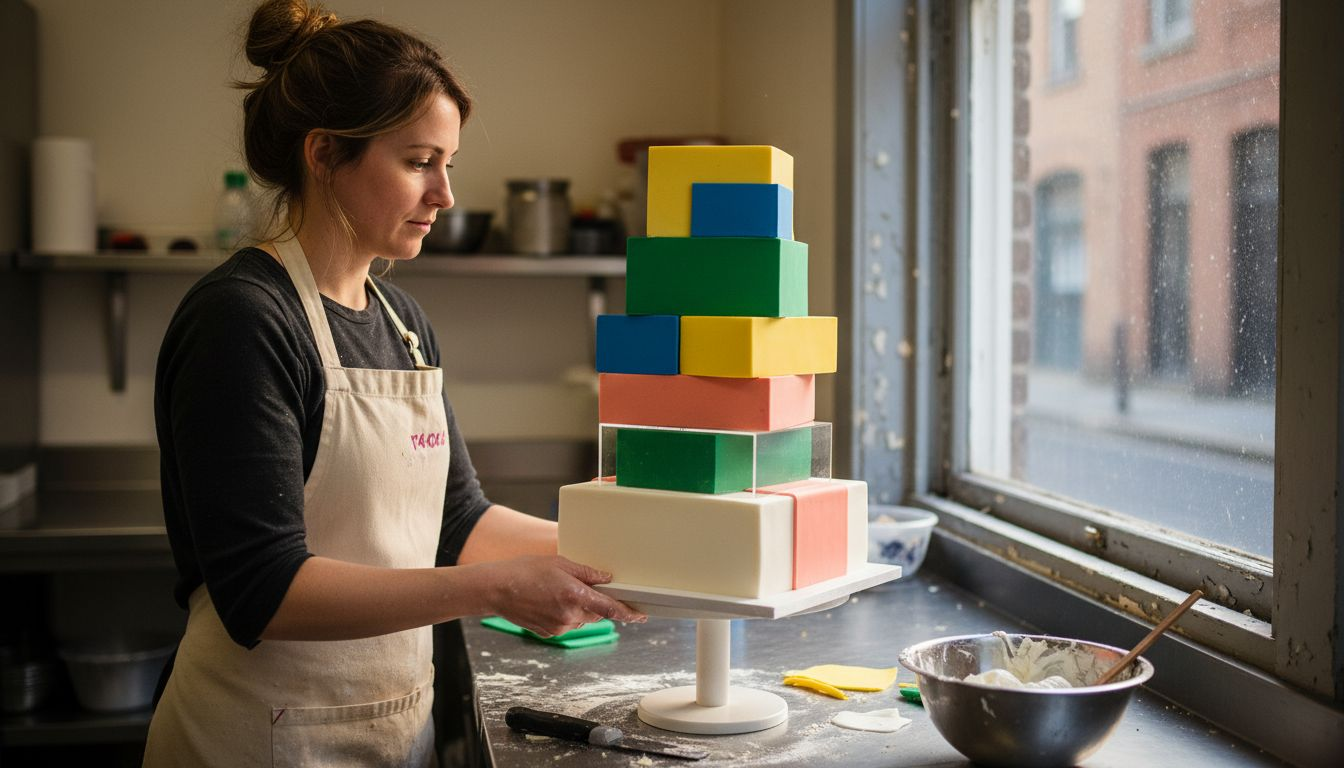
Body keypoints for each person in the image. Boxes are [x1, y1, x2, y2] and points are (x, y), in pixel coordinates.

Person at [142, 1, 644, 764]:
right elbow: (263, 589)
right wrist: (497, 590)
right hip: (257, 738)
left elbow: (459, 520)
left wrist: (645, 547)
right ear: (323, 154)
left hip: (389, 733)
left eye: (448, 164)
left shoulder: (401, 318)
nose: (444, 194)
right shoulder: (242, 320)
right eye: (418, 162)